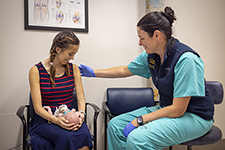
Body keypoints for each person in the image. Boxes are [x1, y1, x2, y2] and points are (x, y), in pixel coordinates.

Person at [79, 6, 214, 150]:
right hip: (167, 108)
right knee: (115, 126)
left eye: (141, 38)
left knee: (137, 138)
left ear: (157, 35)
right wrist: (94, 72)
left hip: (194, 117)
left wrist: (139, 120)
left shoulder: (186, 59)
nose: (139, 43)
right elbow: (125, 69)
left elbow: (178, 110)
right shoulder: (152, 55)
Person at [29, 30, 93, 150]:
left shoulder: (74, 69)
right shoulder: (36, 71)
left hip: (69, 115)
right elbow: (37, 108)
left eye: (74, 54)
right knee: (66, 136)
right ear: (58, 49)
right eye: (70, 54)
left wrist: (81, 115)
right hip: (45, 119)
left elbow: (80, 97)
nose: (72, 58)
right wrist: (55, 120)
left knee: (84, 134)